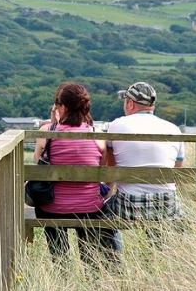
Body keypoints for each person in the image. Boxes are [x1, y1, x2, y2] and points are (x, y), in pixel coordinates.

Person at [34, 83, 120, 265]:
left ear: (62, 107)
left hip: (53, 208)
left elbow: (37, 165)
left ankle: (60, 262)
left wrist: (53, 123)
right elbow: (103, 173)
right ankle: (89, 263)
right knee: (90, 209)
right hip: (90, 208)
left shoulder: (47, 132)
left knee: (44, 205)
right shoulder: (97, 136)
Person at [106, 82, 184, 224]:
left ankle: (112, 247)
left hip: (129, 203)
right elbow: (177, 171)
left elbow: (111, 168)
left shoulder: (116, 125)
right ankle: (158, 246)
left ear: (130, 103)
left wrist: (107, 195)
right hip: (167, 204)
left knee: (101, 213)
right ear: (152, 105)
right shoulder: (174, 129)